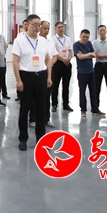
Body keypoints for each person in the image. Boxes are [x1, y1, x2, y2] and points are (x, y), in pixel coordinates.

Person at [12, 14, 53, 151]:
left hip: (41, 76)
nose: (37, 27)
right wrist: (18, 80)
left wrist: (49, 77)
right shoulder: (19, 40)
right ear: (27, 25)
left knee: (41, 109)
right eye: (34, 24)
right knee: (25, 109)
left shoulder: (43, 41)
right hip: (26, 77)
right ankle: (23, 139)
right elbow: (15, 62)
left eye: (39, 25)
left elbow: (47, 60)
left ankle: (41, 139)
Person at [74, 29, 106, 117]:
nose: (85, 39)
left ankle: (95, 109)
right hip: (82, 72)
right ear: (80, 36)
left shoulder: (89, 44)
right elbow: (80, 57)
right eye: (84, 37)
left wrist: (86, 55)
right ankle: (83, 110)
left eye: (87, 37)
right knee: (82, 91)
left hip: (91, 71)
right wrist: (89, 54)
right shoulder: (76, 45)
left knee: (93, 91)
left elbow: (94, 54)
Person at [39, 21, 58, 127]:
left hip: (50, 70)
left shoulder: (50, 41)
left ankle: (46, 118)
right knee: (37, 96)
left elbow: (55, 56)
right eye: (44, 28)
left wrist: (49, 64)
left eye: (48, 29)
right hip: (39, 70)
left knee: (47, 96)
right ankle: (34, 118)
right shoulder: (37, 40)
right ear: (40, 28)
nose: (46, 30)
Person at [51, 21, 73, 112]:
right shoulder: (53, 39)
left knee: (66, 85)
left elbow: (70, 51)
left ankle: (66, 104)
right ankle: (54, 104)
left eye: (62, 27)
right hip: (58, 64)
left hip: (67, 64)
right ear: (55, 29)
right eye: (59, 27)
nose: (61, 29)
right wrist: (63, 60)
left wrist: (69, 58)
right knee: (55, 85)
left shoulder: (67, 38)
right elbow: (54, 53)